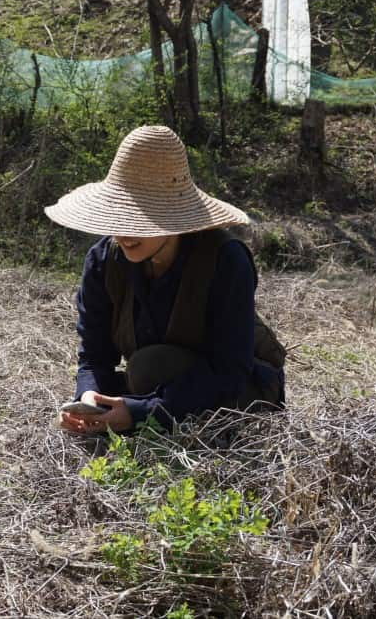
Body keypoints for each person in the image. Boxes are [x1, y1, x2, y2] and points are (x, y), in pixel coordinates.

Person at [44, 125, 285, 435]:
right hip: (163, 386)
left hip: (238, 391)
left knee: (148, 366)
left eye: (139, 219)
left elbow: (229, 372)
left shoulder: (225, 260)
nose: (124, 232)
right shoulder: (104, 261)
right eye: (118, 216)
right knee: (142, 371)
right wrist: (89, 397)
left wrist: (140, 413)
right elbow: (94, 355)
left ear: (174, 218)